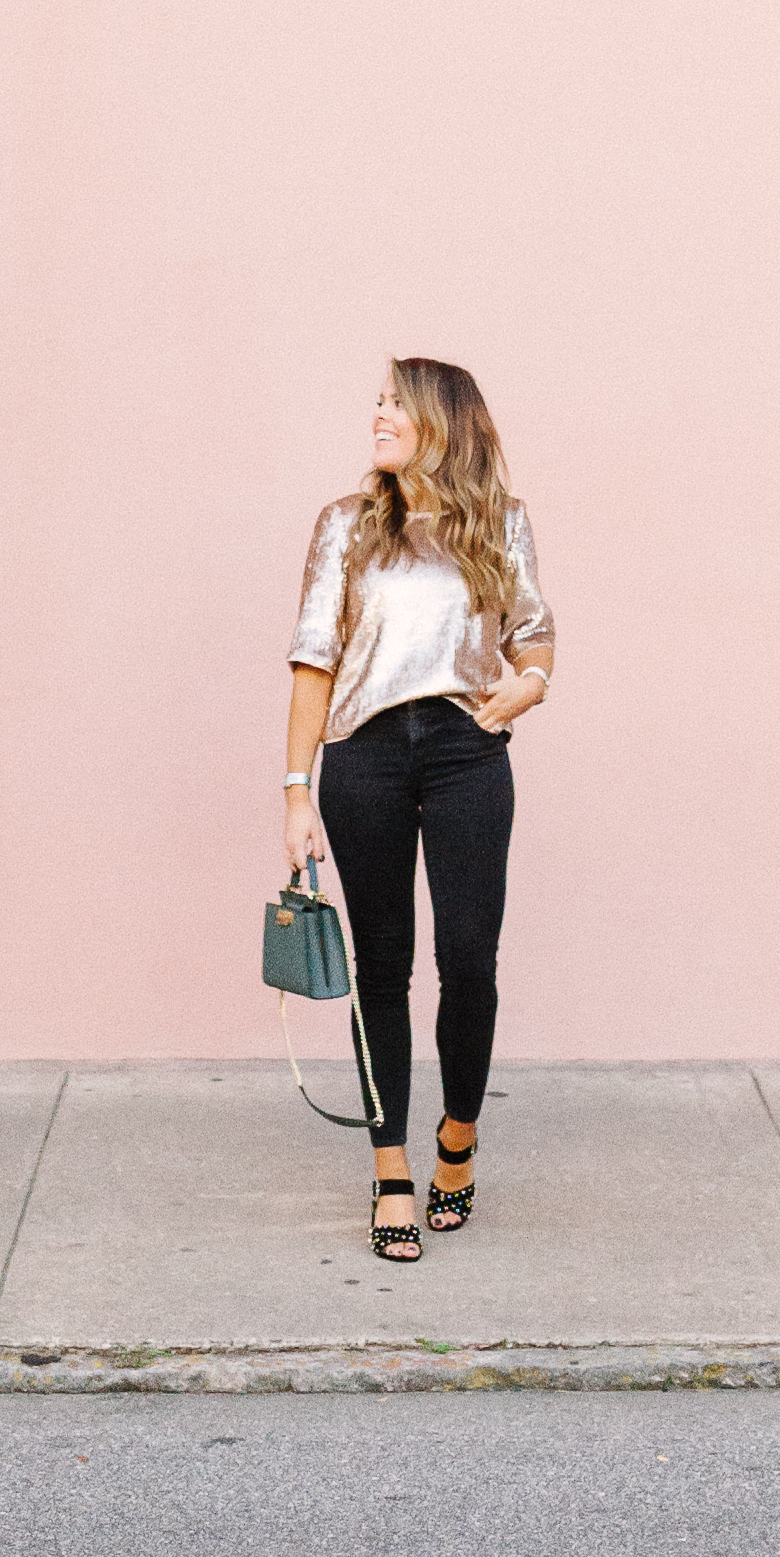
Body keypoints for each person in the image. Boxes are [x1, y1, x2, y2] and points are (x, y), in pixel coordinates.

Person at [282, 357, 554, 1262]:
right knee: (384, 968)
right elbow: (314, 658)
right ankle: (391, 1169)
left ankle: (458, 1139)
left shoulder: (500, 524)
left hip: (466, 753)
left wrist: (533, 683)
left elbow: (534, 628)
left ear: (442, 419)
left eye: (396, 402)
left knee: (469, 960)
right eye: (379, 400)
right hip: (364, 759)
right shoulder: (348, 527)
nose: (378, 414)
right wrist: (294, 793)